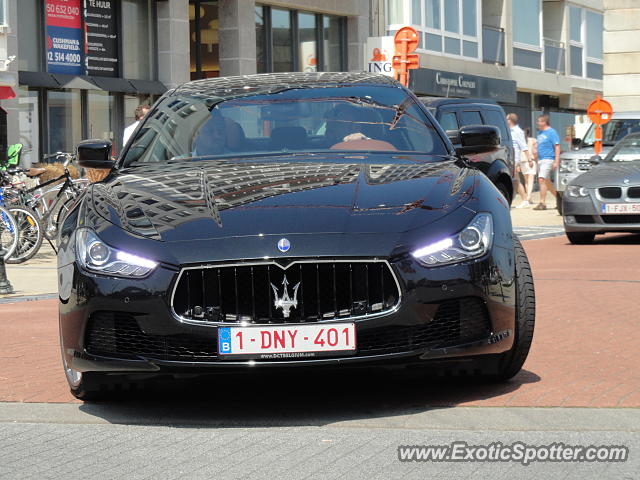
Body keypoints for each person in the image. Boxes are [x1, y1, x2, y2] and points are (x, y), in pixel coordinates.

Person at [506, 113, 534, 208]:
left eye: (507, 119)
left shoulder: (518, 131)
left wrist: (529, 159)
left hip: (514, 159)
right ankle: (521, 199)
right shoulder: (509, 131)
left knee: (515, 180)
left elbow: (523, 146)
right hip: (508, 158)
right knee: (513, 180)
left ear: (510, 120)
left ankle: (525, 200)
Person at [533, 114, 560, 210]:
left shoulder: (552, 132)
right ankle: (560, 199)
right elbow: (538, 144)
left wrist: (556, 161)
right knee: (547, 182)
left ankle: (542, 203)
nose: (537, 123)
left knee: (541, 179)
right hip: (540, 159)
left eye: (539, 121)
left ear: (545, 122)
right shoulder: (540, 132)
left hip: (548, 159)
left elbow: (557, 146)